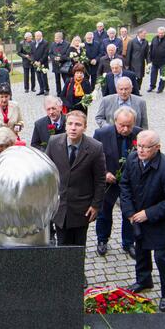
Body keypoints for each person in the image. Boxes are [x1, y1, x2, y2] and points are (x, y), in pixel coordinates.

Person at [119, 130, 165, 312]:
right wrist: (130, 212)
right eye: (138, 146)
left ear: (157, 148)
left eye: (145, 147)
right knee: (141, 250)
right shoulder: (132, 159)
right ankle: (143, 280)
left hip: (161, 221)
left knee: (161, 257)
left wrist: (148, 213)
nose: (140, 150)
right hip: (138, 217)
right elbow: (124, 185)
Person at [46, 110, 106, 285]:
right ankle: (64, 274)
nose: (73, 128)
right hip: (60, 205)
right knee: (62, 242)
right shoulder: (54, 142)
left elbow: (100, 179)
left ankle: (79, 273)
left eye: (78, 125)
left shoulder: (95, 148)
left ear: (85, 127)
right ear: (65, 125)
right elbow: (47, 172)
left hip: (82, 207)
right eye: (70, 124)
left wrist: (95, 205)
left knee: (79, 243)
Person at [93, 107, 142, 258]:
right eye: (122, 125)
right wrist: (104, 172)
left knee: (130, 213)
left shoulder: (139, 133)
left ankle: (128, 243)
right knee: (104, 212)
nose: (126, 129)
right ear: (115, 122)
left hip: (130, 183)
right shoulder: (101, 134)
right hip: (108, 181)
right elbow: (94, 157)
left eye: (129, 125)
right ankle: (102, 240)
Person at [148, 27, 165, 93]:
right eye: (159, 33)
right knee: (153, 75)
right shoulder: (154, 39)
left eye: (162, 33)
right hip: (154, 61)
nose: (160, 34)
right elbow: (151, 49)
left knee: (163, 76)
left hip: (164, 62)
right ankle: (152, 86)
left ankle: (160, 88)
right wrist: (150, 59)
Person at [32, 31, 50, 95]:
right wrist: (34, 61)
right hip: (36, 63)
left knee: (44, 77)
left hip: (43, 63)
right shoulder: (33, 43)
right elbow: (32, 53)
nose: (36, 37)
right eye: (35, 36)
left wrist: (40, 61)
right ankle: (41, 89)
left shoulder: (45, 43)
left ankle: (46, 89)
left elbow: (46, 54)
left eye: (38, 36)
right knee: (39, 77)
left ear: (41, 36)